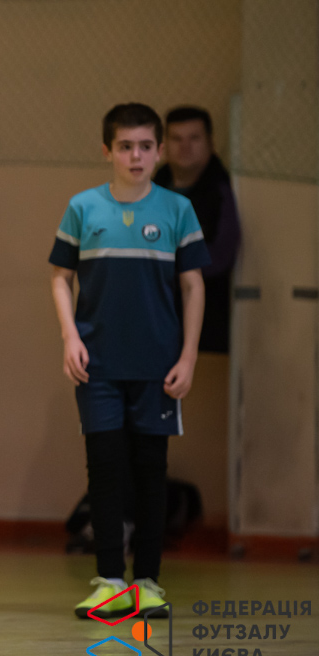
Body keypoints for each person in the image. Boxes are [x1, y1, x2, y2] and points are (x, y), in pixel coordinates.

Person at [48, 104, 209, 620]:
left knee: (150, 472)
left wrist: (188, 356)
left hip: (158, 368)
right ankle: (109, 581)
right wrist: (70, 337)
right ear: (107, 151)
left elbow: (194, 286)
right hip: (97, 366)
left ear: (158, 152)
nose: (135, 156)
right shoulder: (83, 207)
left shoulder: (177, 209)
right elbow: (60, 277)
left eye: (144, 146)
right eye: (124, 146)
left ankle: (148, 583)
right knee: (105, 470)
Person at [154, 106, 241, 353]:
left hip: (207, 323)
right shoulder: (152, 188)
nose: (185, 147)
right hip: (156, 320)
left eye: (194, 138)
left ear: (210, 142)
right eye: (177, 139)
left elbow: (222, 254)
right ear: (164, 146)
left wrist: (171, 266)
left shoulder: (222, 190)